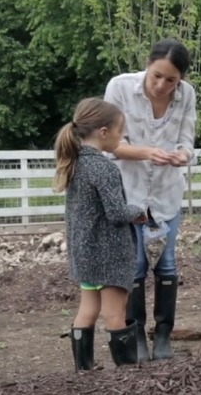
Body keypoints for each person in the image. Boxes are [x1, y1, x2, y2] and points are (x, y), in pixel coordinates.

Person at [103, 38, 196, 362]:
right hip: (129, 195)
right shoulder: (119, 88)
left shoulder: (187, 96)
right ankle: (137, 335)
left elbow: (187, 139)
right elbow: (110, 143)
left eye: (172, 80)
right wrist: (147, 152)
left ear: (180, 79)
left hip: (167, 194)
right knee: (136, 268)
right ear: (147, 64)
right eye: (157, 75)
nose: (162, 85)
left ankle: (164, 336)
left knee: (167, 265)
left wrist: (182, 155)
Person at [52, 97, 147, 370]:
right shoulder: (103, 167)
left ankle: (84, 369)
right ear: (104, 132)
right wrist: (137, 210)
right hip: (109, 254)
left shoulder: (75, 163)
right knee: (115, 313)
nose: (121, 137)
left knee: (88, 310)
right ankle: (126, 371)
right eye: (120, 131)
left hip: (84, 252)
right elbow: (116, 213)